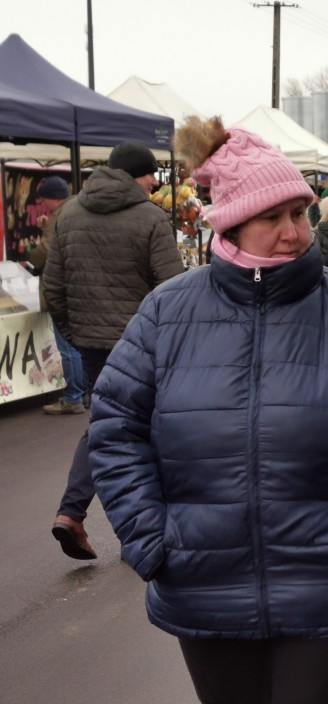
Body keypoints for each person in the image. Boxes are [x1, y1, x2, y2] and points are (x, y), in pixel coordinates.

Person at [88, 115, 328, 704]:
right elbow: (115, 430)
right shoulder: (166, 314)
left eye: (300, 213)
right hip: (204, 584)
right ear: (230, 223)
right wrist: (150, 538)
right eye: (274, 216)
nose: (295, 232)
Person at [43, 141, 183, 560]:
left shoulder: (68, 213)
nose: (155, 184)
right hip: (141, 343)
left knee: (105, 427)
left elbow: (53, 287)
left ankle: (74, 514)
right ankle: (135, 527)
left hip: (90, 342)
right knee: (149, 430)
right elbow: (172, 288)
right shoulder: (151, 218)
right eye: (152, 176)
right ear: (137, 176)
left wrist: (76, 333)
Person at [27, 176, 86, 415]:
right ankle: (85, 393)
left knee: (68, 347)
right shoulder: (78, 209)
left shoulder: (60, 216)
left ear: (53, 198)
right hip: (79, 288)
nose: (42, 204)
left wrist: (31, 256)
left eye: (43, 200)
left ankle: (73, 397)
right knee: (79, 345)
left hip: (63, 290)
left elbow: (46, 252)